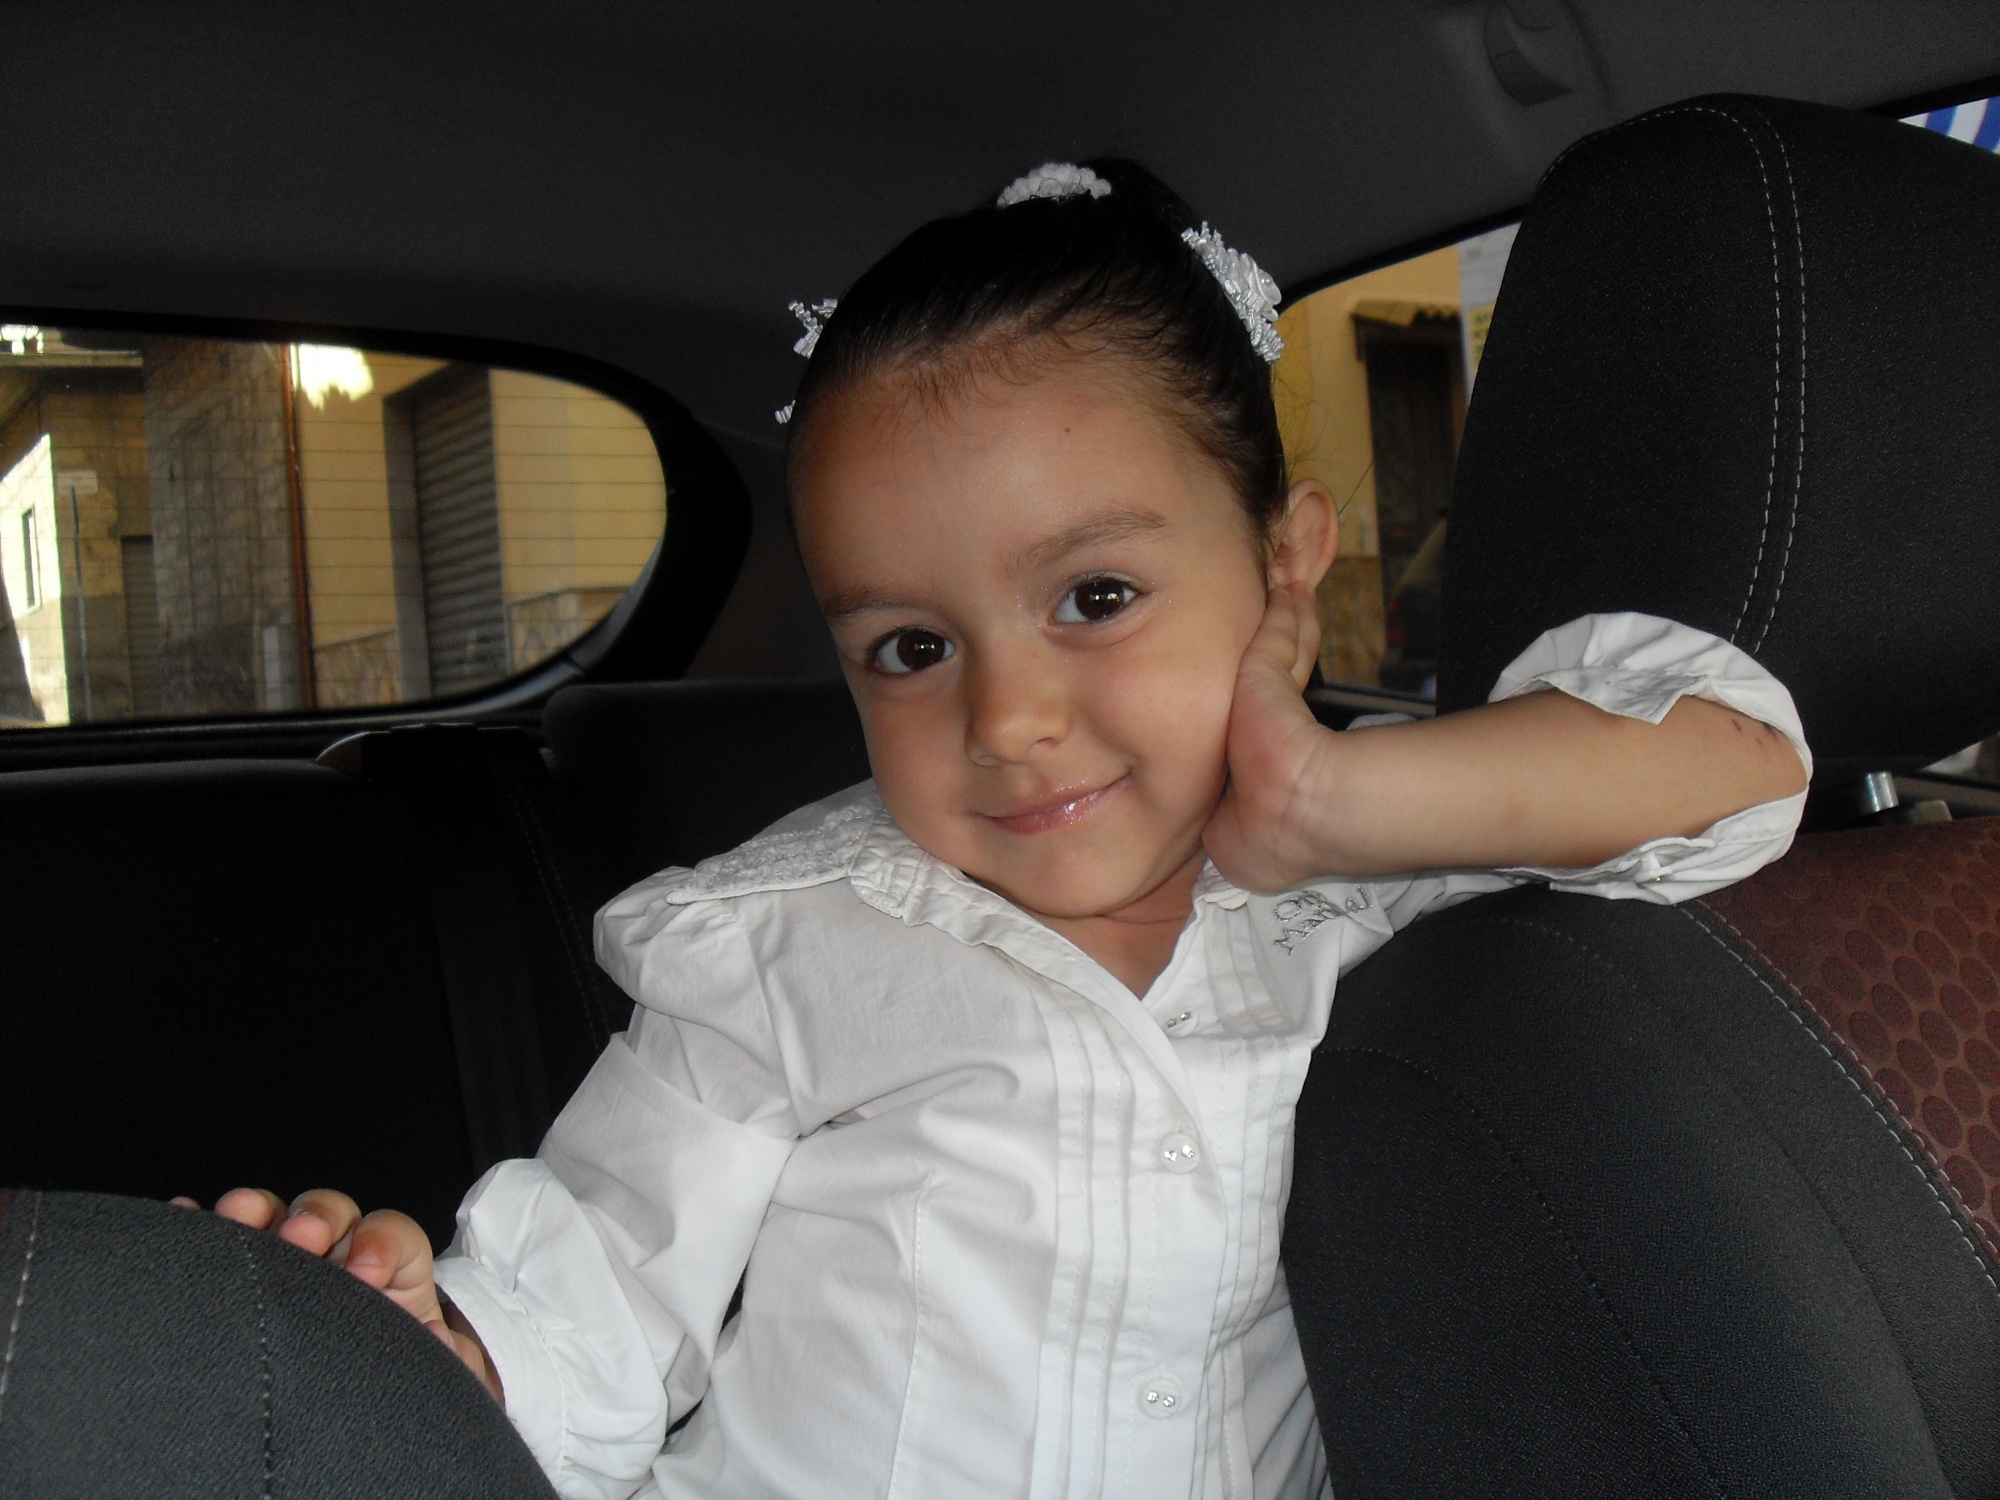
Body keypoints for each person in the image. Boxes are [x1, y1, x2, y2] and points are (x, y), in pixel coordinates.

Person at [195, 160, 1810, 1499]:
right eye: (912, 647)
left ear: (1285, 566)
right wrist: (445, 1349)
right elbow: (599, 1294)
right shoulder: (782, 944)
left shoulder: (1370, 876)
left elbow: (1738, 768)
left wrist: (1334, 803)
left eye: (1095, 597)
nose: (1007, 718)